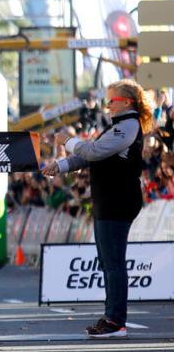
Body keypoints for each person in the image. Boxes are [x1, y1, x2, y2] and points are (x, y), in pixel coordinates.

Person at [42, 79, 152, 339]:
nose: (107, 106)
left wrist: (68, 140)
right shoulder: (117, 126)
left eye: (110, 101)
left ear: (126, 102)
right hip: (108, 200)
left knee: (113, 263)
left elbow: (94, 150)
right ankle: (111, 316)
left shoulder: (128, 126)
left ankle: (116, 320)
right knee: (107, 261)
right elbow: (89, 155)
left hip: (118, 200)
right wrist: (61, 165)